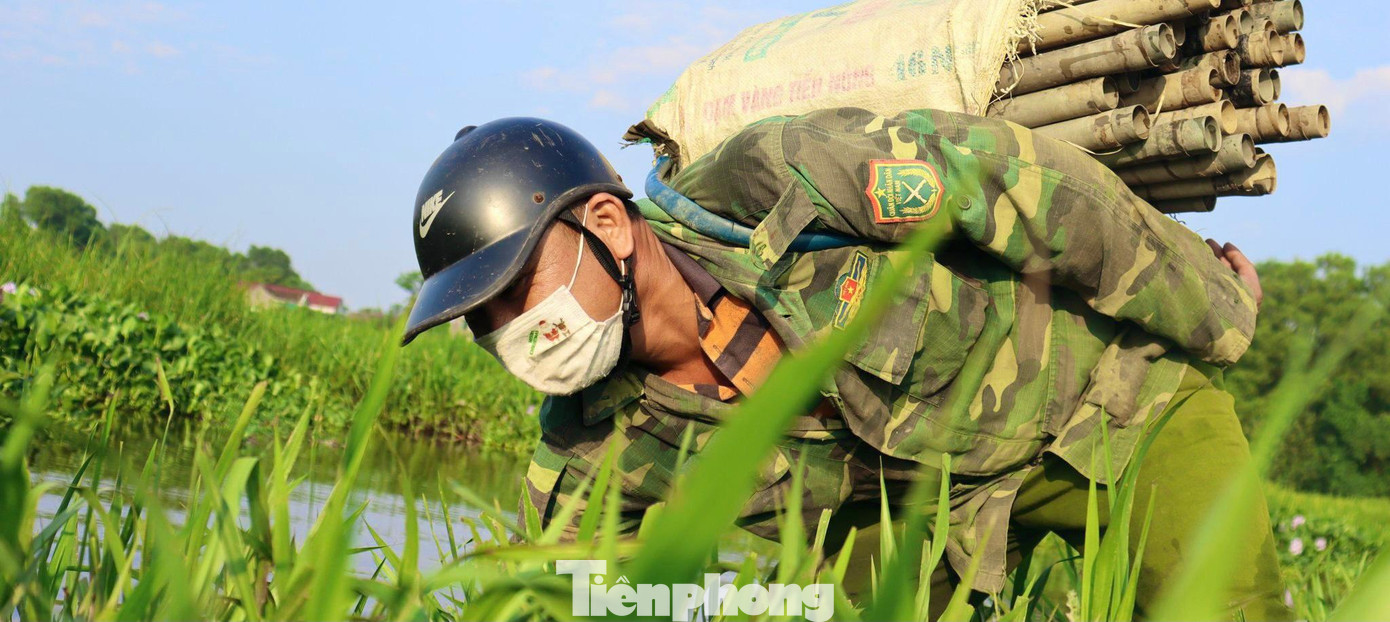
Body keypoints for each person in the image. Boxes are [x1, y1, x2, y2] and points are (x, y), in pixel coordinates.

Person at [402, 109, 1290, 619]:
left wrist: (1217, 316)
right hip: (940, 518)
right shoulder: (584, 457)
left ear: (603, 224)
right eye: (482, 320)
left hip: (1109, 406)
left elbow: (1031, 189)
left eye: (518, 290)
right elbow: (566, 596)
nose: (514, 331)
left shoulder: (776, 184)